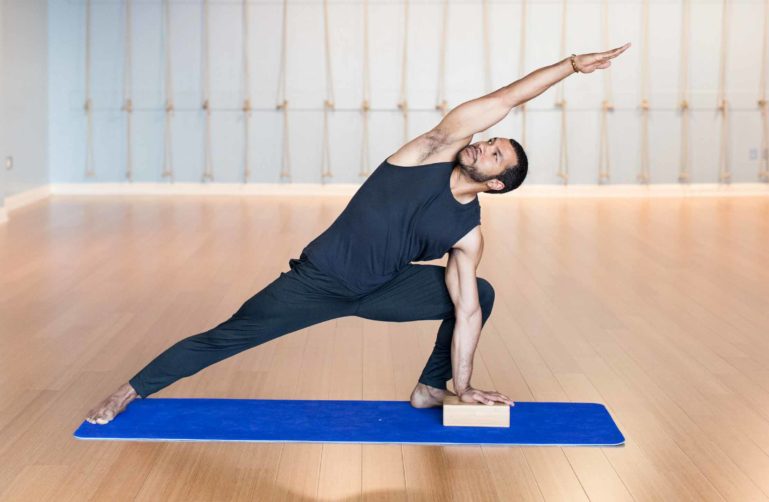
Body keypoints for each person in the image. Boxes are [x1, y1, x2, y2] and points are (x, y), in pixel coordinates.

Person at [86, 44, 630, 425]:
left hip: (380, 290)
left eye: (495, 156)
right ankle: (127, 391)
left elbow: (466, 314)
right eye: (491, 142)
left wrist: (463, 387)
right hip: (316, 282)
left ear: (495, 185)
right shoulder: (428, 152)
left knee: (477, 294)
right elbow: (504, 100)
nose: (485, 146)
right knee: (228, 336)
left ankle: (429, 389)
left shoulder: (468, 234)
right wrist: (571, 66)